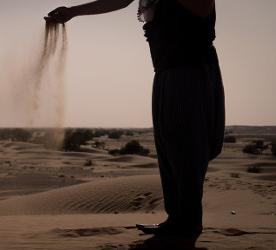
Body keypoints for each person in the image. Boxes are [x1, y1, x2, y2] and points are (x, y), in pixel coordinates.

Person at [46, 0, 225, 237]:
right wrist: (74, 12)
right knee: (170, 147)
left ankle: (188, 224)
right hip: (166, 72)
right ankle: (177, 219)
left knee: (187, 147)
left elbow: (203, 7)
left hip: (189, 70)